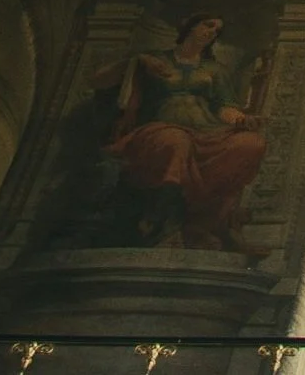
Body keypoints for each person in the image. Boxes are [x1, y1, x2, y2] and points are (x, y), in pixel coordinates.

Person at [106, 14, 269, 248]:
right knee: (176, 142)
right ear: (190, 26)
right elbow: (101, 81)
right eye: (208, 25)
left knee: (250, 144)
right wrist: (138, 62)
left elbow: (224, 106)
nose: (211, 32)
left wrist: (241, 120)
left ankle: (209, 222)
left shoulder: (214, 69)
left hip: (206, 130)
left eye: (216, 31)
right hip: (159, 129)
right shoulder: (155, 60)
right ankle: (164, 223)